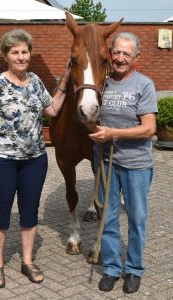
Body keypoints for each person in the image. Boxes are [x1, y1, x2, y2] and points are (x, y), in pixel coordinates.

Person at [0, 29, 70, 289]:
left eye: (24, 51)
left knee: (30, 210)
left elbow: (51, 108)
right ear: (6, 56)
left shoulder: (36, 81)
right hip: (2, 160)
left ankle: (27, 261)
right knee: (0, 212)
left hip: (35, 160)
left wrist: (64, 80)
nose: (21, 57)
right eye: (15, 52)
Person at [88, 32, 158, 294]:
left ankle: (134, 269)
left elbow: (149, 129)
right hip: (106, 161)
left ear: (136, 57)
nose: (120, 58)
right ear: (110, 54)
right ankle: (111, 268)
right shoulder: (102, 84)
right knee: (107, 217)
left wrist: (113, 133)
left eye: (126, 54)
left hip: (136, 164)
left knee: (137, 219)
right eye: (116, 52)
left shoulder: (144, 85)